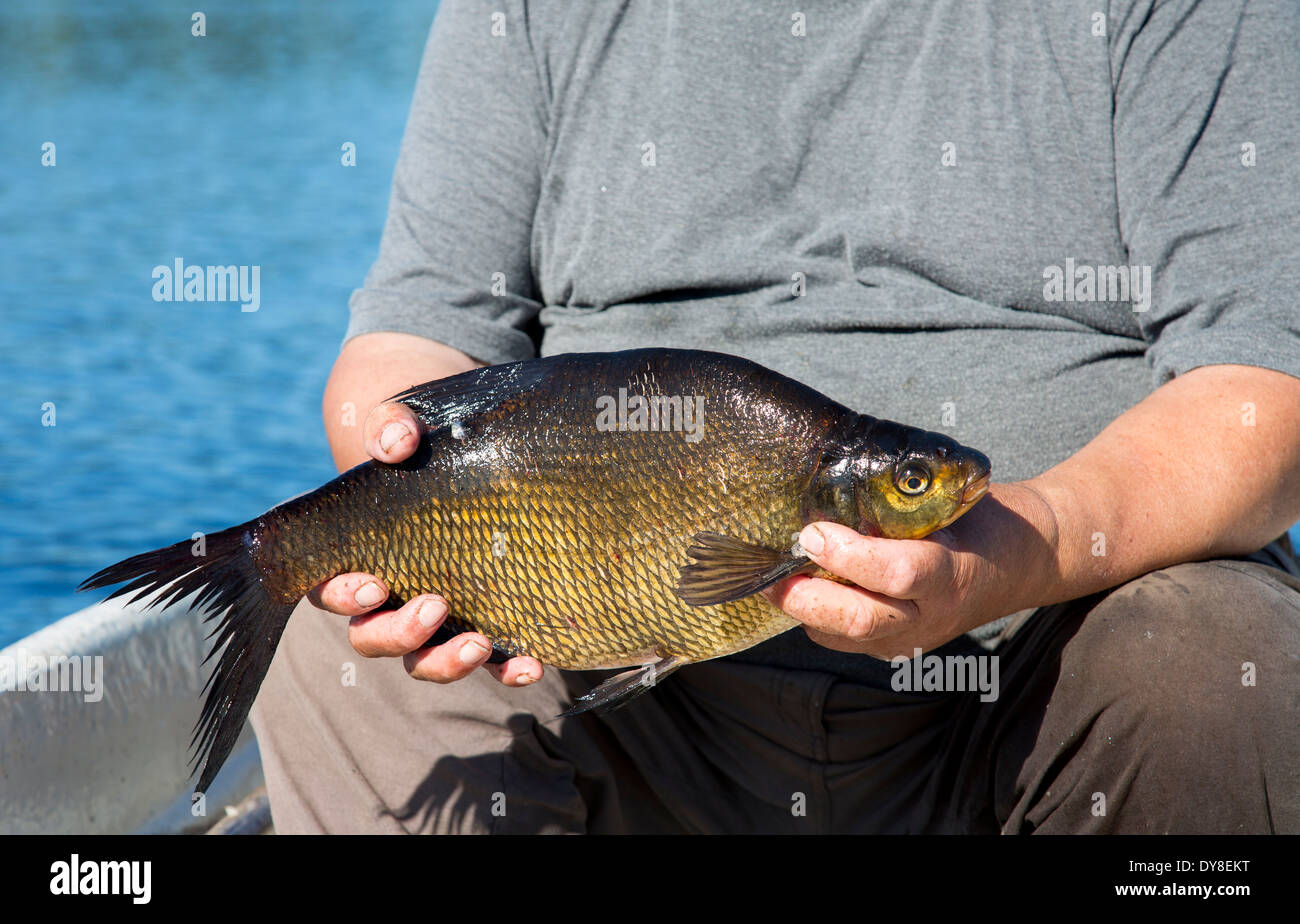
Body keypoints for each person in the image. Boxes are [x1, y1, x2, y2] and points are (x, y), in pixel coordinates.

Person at [248, 0, 1300, 833]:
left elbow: (1265, 390)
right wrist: (423, 496)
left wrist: (1029, 549)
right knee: (344, 659)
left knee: (1213, 659)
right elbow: (416, 334)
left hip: (1039, 663)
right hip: (626, 695)